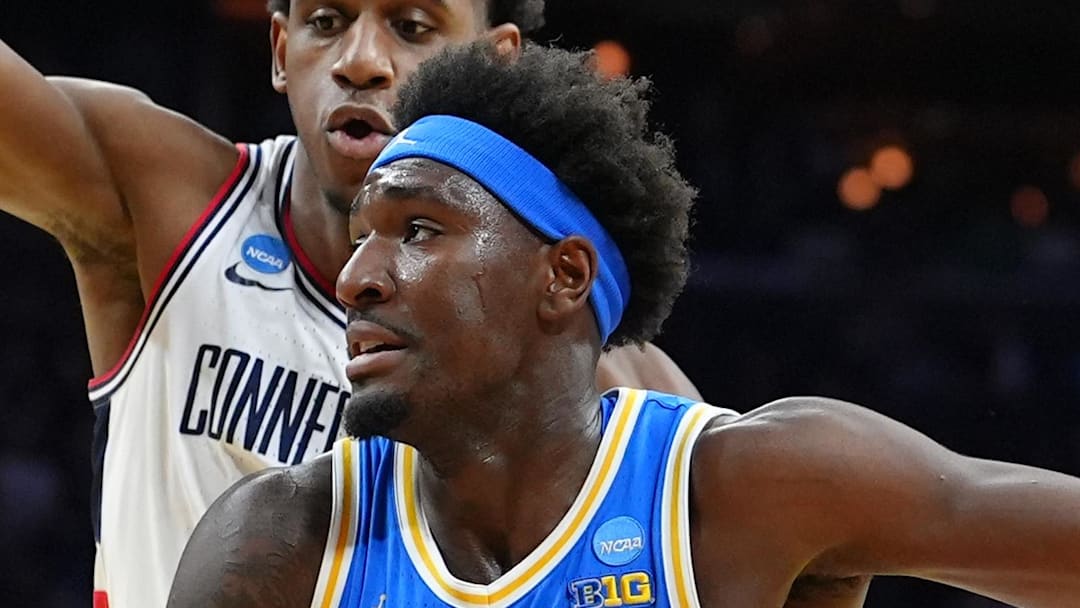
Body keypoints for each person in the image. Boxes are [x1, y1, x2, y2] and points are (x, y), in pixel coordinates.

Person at [167, 42, 1080, 608]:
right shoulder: (278, 546)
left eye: (415, 230)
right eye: (362, 237)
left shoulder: (743, 492)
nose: (360, 277)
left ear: (563, 277)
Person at [0, 2, 700, 606]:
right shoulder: (164, 202)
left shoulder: (595, 366)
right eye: (326, 22)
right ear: (281, 49)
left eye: (412, 25)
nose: (361, 60)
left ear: (495, 63)